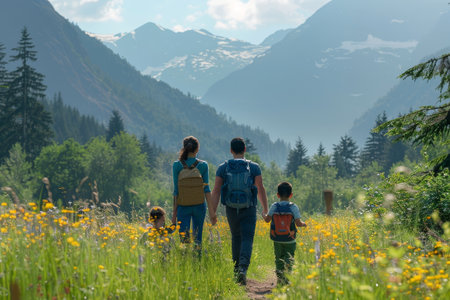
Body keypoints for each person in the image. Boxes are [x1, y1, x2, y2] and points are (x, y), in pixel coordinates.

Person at [211, 137, 269, 285]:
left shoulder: (223, 168)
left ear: (231, 150)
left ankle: (236, 270)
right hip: (248, 208)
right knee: (247, 238)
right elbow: (260, 189)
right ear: (244, 150)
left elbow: (216, 191)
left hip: (231, 209)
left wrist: (212, 212)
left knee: (236, 237)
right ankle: (243, 268)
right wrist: (265, 210)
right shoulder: (254, 167)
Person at [172, 136, 217, 249]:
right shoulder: (203, 165)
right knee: (198, 239)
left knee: (184, 240)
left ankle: (185, 261)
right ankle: (197, 260)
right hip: (199, 206)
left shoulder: (177, 165)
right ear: (197, 149)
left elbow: (176, 191)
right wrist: (212, 213)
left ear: (184, 148)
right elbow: (206, 190)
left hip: (183, 206)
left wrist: (174, 216)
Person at [263, 182, 306, 285]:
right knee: (289, 258)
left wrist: (263, 214)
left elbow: (267, 220)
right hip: (290, 239)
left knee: (279, 258)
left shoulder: (274, 206)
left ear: (278, 195)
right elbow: (298, 223)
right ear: (291, 195)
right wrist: (304, 224)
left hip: (276, 238)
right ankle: (287, 279)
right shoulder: (293, 207)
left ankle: (280, 277)